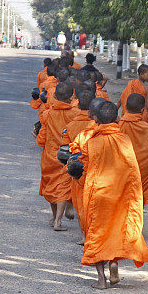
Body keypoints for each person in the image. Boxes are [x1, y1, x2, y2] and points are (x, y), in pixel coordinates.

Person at [70, 101, 148, 289]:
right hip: (121, 193)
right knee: (115, 230)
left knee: (97, 233)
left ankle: (101, 279)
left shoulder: (92, 143)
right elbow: (133, 171)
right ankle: (114, 264)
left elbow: (83, 170)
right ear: (116, 119)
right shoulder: (125, 140)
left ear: (96, 119)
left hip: (98, 195)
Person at [36, 81, 80, 231]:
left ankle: (54, 217)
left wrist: (40, 140)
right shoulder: (76, 114)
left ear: (54, 96)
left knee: (50, 186)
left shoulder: (48, 114)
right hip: (66, 154)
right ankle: (58, 221)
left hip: (49, 154)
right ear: (71, 98)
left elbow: (41, 138)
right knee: (62, 186)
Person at [61, 90, 97, 238]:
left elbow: (66, 151)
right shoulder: (117, 136)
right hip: (101, 176)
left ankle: (85, 235)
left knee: (83, 205)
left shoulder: (72, 127)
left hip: (80, 173)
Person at [119, 93, 148, 206]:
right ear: (142, 110)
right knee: (138, 195)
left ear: (125, 106)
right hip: (143, 168)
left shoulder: (120, 125)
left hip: (126, 166)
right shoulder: (145, 127)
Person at [119, 64, 148, 131]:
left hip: (129, 115)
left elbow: (121, 99)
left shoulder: (131, 83)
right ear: (141, 74)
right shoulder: (147, 88)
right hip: (142, 117)